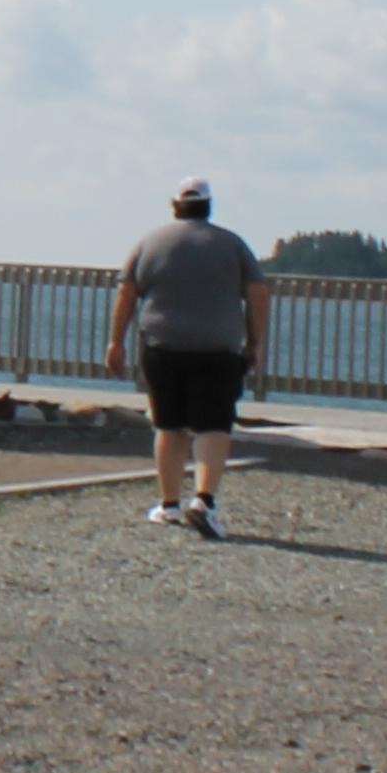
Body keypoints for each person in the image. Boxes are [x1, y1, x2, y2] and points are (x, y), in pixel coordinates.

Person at [103, 176, 268, 540]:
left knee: (168, 424)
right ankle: (204, 502)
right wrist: (255, 342)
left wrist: (115, 341)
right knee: (213, 425)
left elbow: (126, 294)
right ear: (208, 206)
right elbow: (257, 294)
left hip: (162, 346)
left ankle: (169, 505)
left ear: (174, 205)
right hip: (218, 349)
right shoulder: (232, 244)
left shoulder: (150, 242)